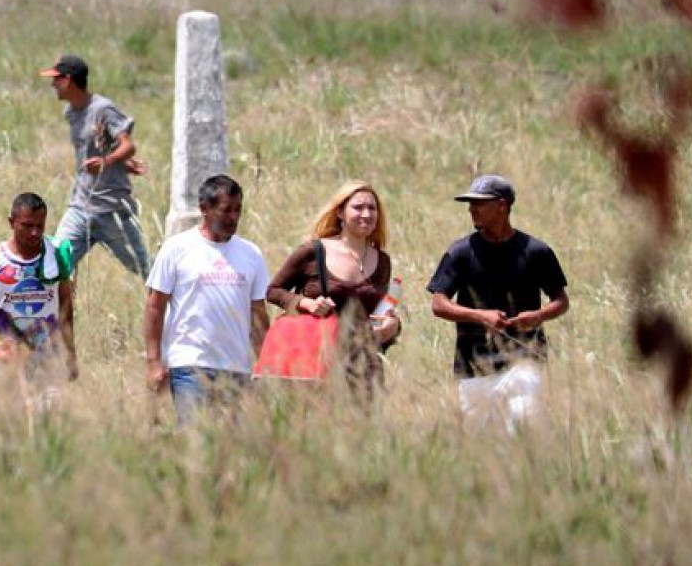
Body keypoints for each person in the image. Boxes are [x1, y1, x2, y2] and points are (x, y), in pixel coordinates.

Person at [426, 175, 570, 421]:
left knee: (524, 429)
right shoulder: (460, 252)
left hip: (524, 361)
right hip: (474, 365)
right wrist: (480, 316)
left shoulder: (537, 251)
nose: (472, 209)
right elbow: (438, 303)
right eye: (470, 204)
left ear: (502, 206)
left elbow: (561, 300)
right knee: (481, 445)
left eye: (479, 203)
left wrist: (538, 316)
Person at [143, 174, 271, 424]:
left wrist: (266, 364)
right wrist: (154, 361)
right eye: (226, 210)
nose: (233, 217)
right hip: (190, 366)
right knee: (195, 443)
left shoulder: (251, 254)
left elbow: (258, 313)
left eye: (238, 210)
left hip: (237, 370)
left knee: (235, 448)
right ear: (204, 208)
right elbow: (154, 306)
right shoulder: (177, 248)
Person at [265, 181, 400, 398]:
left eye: (372, 208)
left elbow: (381, 311)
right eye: (358, 207)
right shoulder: (313, 251)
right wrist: (306, 303)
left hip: (364, 369)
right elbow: (273, 290)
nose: (366, 214)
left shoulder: (382, 260)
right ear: (339, 212)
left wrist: (392, 326)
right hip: (316, 364)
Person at [40, 54, 152, 281]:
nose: (53, 85)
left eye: (56, 79)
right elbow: (98, 147)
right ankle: (56, 315)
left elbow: (128, 146)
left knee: (147, 270)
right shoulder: (71, 112)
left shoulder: (103, 109)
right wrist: (122, 164)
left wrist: (107, 163)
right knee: (53, 267)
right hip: (80, 206)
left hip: (111, 209)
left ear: (69, 80)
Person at [0, 192, 78, 396]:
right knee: (2, 418)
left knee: (48, 418)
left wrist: (71, 353)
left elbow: (65, 307)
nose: (34, 233)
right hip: (3, 354)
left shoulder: (56, 257)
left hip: (47, 355)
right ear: (11, 222)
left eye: (40, 226)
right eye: (27, 225)